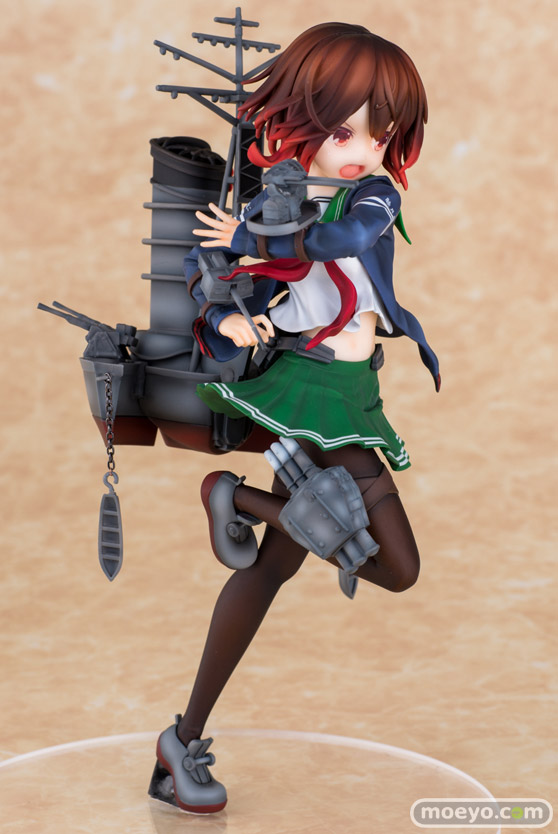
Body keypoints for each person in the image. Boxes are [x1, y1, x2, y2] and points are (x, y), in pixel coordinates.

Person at [150, 21, 440, 814]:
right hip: (307, 393)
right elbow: (206, 272)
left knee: (272, 568)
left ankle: (180, 743)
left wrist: (253, 232)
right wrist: (226, 314)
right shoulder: (270, 196)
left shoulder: (369, 196)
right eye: (344, 132)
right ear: (303, 123)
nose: (364, 150)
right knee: (397, 566)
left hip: (354, 394)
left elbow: (344, 237)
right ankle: (234, 496)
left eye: (381, 133)